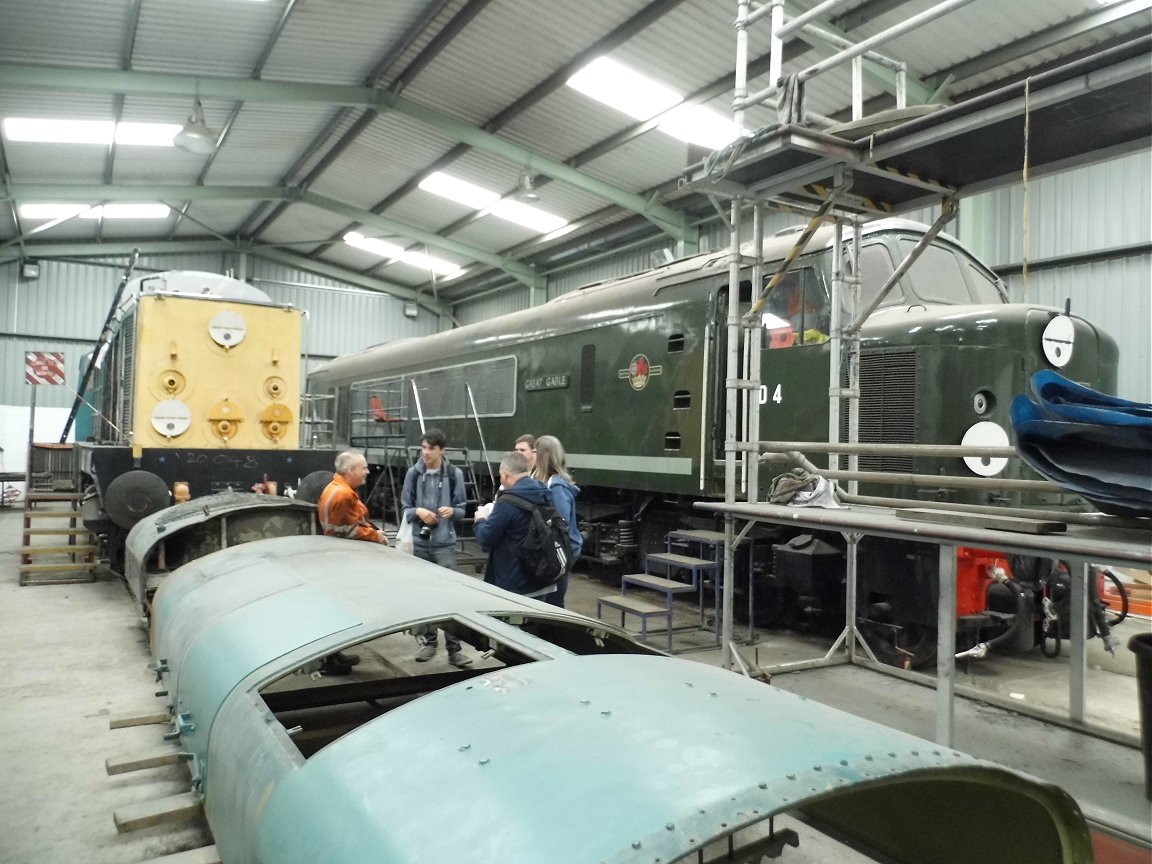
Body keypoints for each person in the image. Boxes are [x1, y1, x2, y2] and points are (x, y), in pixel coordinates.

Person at [400, 428, 471, 667]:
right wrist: (417, 511)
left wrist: (453, 511)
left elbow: (463, 508)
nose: (426, 453)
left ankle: (455, 649)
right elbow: (405, 507)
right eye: (423, 448)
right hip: (420, 544)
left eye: (431, 448)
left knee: (450, 596)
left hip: (443, 544)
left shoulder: (453, 474)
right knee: (425, 595)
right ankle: (429, 644)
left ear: (442, 450)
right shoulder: (413, 474)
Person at [316, 450, 387, 674]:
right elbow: (345, 530)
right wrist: (375, 536)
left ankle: (333, 656)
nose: (368, 471)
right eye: (364, 467)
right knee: (337, 612)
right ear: (351, 471)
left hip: (335, 558)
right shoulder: (342, 495)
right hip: (341, 560)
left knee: (334, 612)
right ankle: (330, 661)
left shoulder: (336, 489)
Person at [473, 451, 549, 595]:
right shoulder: (544, 491)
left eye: (501, 476)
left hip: (513, 582)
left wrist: (480, 519)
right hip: (541, 576)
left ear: (506, 474)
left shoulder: (508, 501)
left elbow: (485, 538)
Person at [531, 435, 582, 608]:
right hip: (555, 553)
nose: (532, 455)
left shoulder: (557, 488)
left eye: (535, 452)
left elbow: (561, 527)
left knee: (553, 603)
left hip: (559, 555)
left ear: (544, 456)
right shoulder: (546, 483)